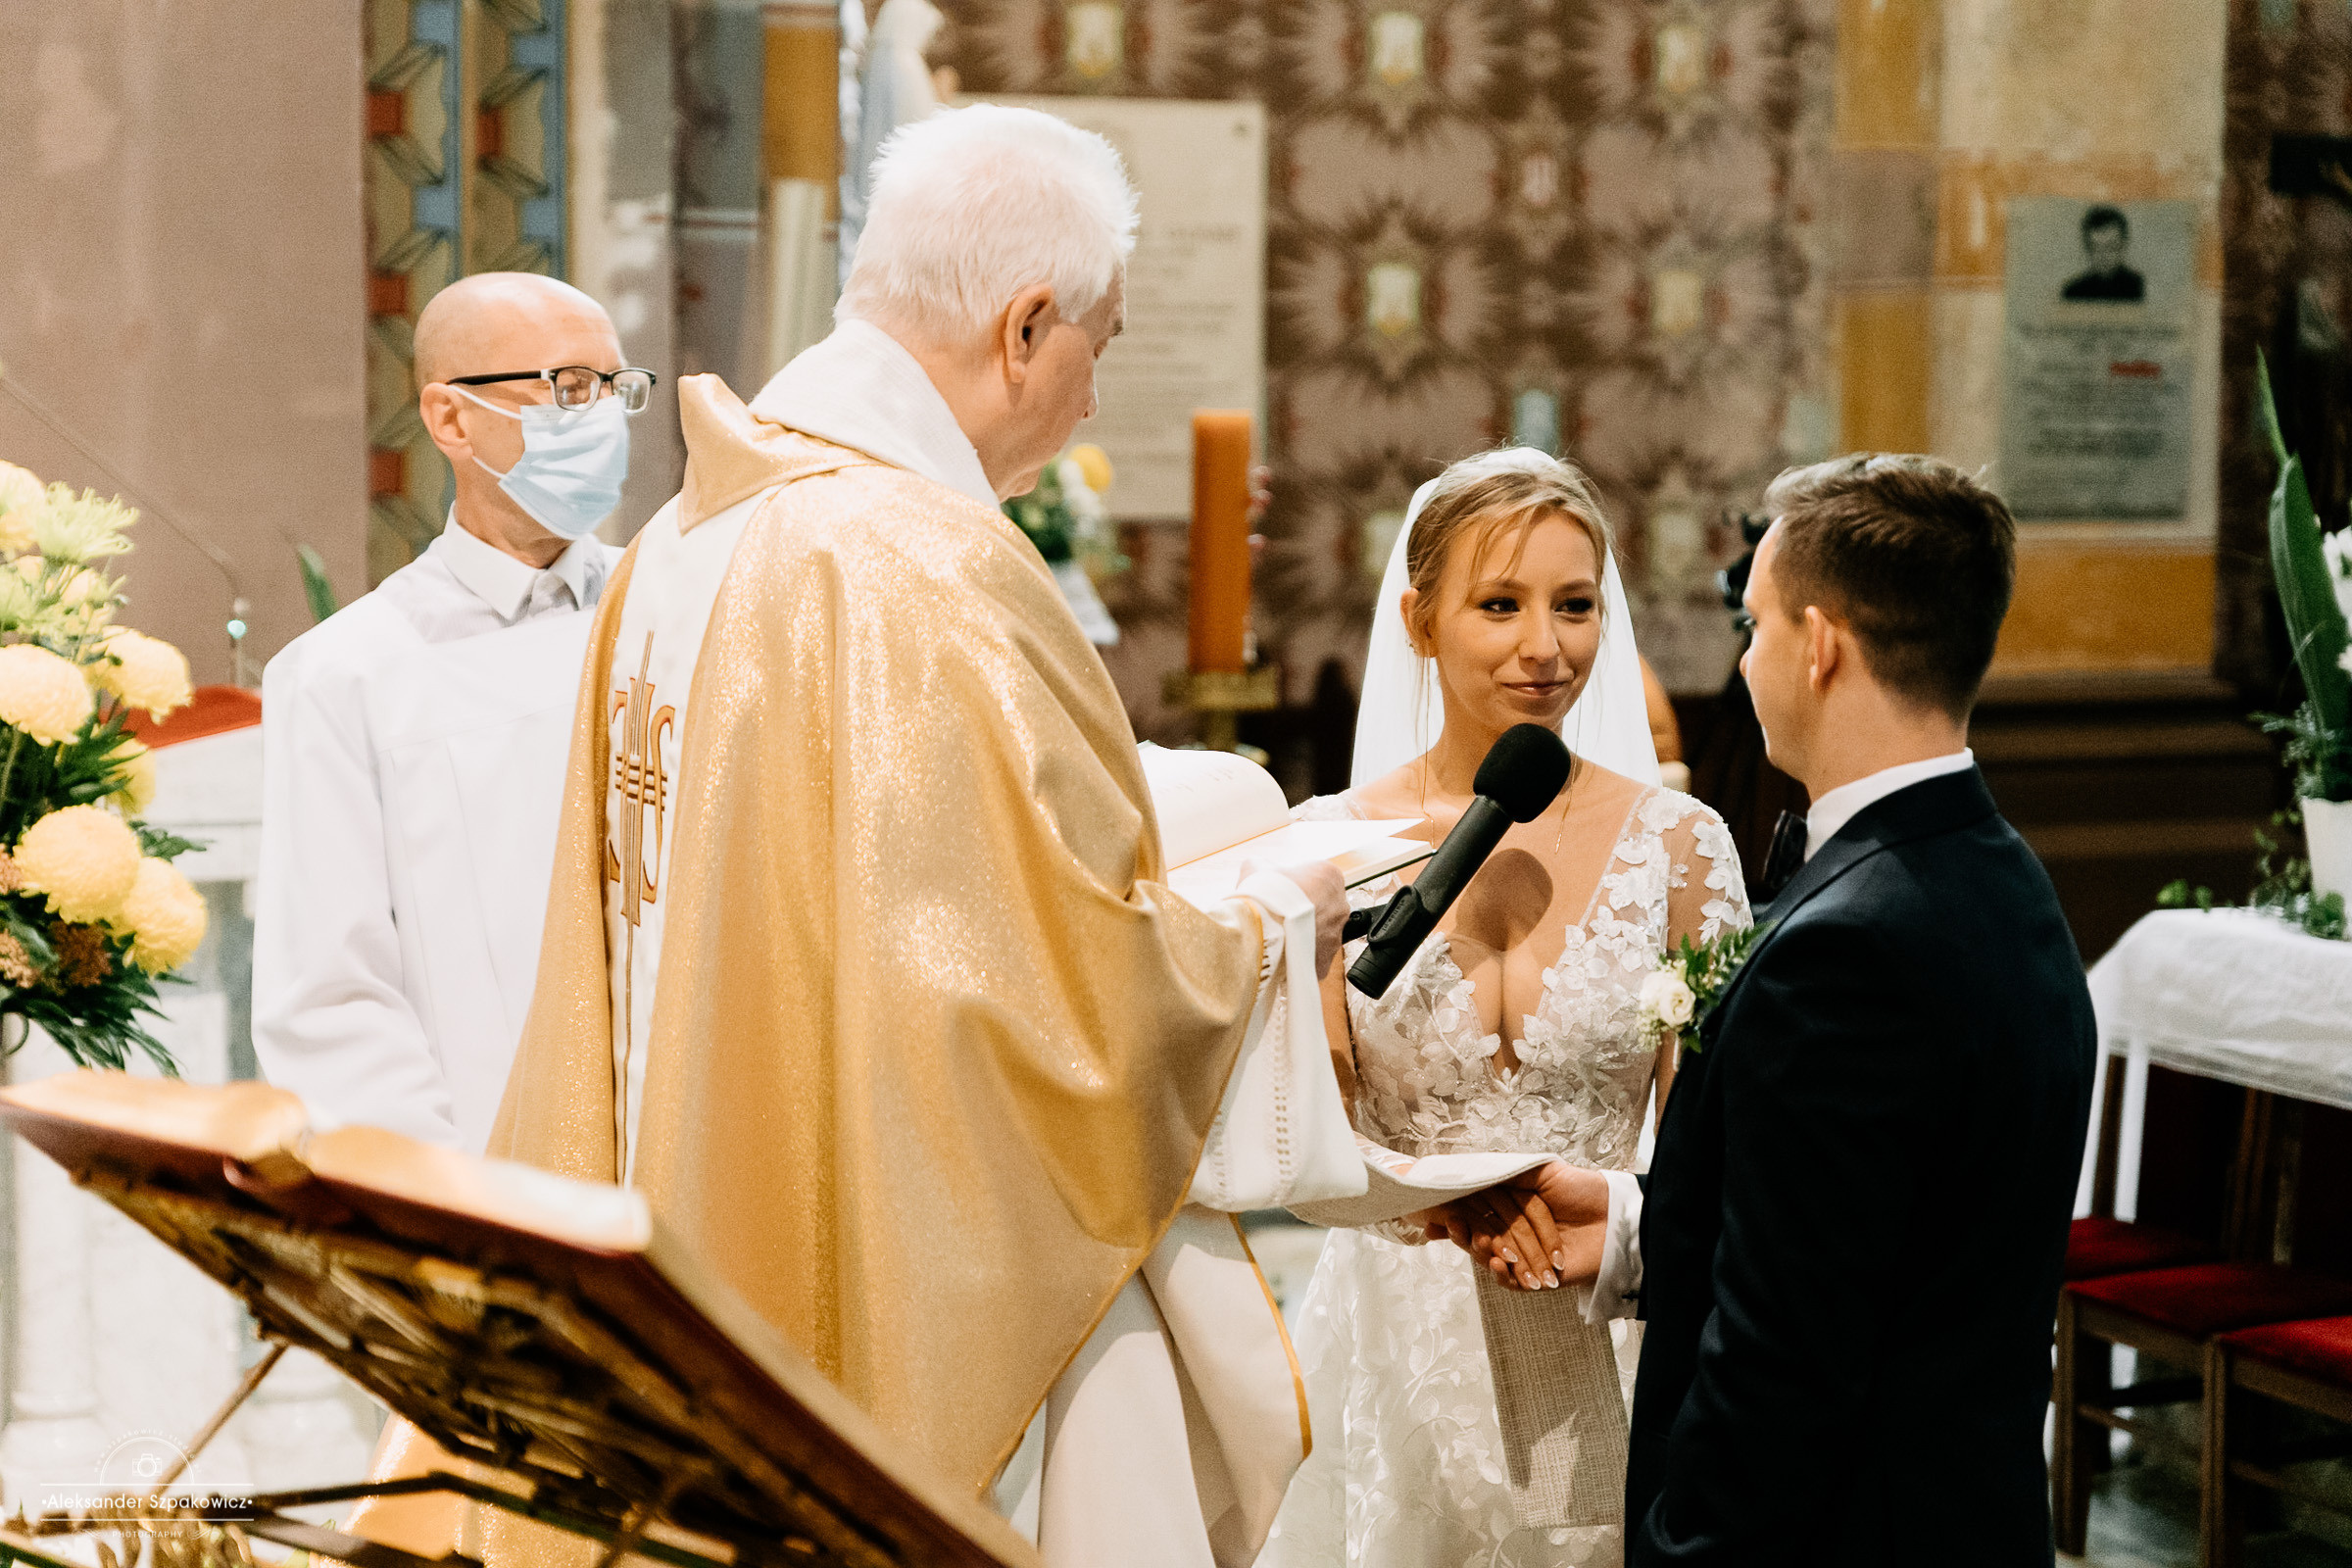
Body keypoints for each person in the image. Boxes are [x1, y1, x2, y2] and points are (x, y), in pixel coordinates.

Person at [355, 105, 1364, 1568]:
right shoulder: (920, 565)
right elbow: (1046, 994)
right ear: (1026, 328)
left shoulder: (683, 538)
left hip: (685, 1238)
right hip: (856, 1273)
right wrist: (1270, 924)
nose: (1092, 400)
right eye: (1100, 348)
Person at [1453, 454, 2097, 1567]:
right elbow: (1879, 1233)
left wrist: (1679, 1547)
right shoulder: (1999, 874)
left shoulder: (1851, 950)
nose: (1745, 662)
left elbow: (1787, 1354)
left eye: (1753, 627)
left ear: (1820, 645)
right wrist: (1638, 1223)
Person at [1261, 448, 1749, 1568]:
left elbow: (1725, 1144)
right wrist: (1429, 1203)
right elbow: (1305, 1132)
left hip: (1606, 1333)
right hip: (1396, 1349)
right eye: (1500, 604)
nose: (1546, 646)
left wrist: (1620, 1222)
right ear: (1420, 621)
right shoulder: (1325, 847)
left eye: (1574, 605)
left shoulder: (1680, 846)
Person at [254, 272, 648, 1153]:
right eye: (567, 388)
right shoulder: (347, 676)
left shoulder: (681, 608)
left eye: (615, 388)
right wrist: (446, 1200)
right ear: (450, 420)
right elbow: (332, 999)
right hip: (490, 1173)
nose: (600, 419)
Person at [2061, 204, 2145, 302]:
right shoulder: (2074, 292)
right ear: (2087, 248)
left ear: (2123, 245)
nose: (2103, 256)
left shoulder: (2139, 287)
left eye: (2110, 247)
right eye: (2096, 248)